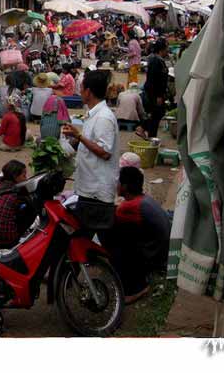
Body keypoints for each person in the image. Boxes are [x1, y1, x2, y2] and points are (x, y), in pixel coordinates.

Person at [101, 166, 171, 303]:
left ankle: (135, 289)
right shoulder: (143, 199)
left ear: (125, 186)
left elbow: (111, 219)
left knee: (108, 237)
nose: (117, 185)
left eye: (119, 182)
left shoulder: (129, 207)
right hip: (161, 250)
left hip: (154, 256)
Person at [62, 70, 119, 231]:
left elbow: (105, 152)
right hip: (89, 187)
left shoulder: (103, 118)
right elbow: (90, 143)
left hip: (97, 191)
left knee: (93, 236)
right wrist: (74, 139)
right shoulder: (93, 114)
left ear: (89, 92)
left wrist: (79, 136)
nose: (79, 92)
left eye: (81, 89)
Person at [0, 160, 29, 249]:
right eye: (24, 175)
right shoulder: (18, 192)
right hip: (5, 241)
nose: (26, 178)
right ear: (15, 176)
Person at [139, 39, 169, 139]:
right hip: (154, 93)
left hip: (154, 92)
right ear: (162, 49)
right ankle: (147, 133)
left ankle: (145, 130)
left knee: (157, 113)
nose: (168, 50)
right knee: (156, 114)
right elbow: (155, 80)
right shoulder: (156, 61)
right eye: (167, 48)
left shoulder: (157, 59)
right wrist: (159, 96)